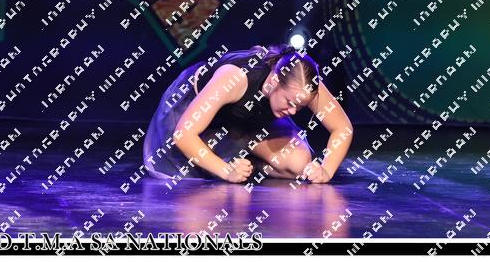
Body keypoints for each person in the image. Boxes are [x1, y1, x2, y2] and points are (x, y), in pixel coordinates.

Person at [142, 44, 353, 184]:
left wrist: (326, 171)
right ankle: (230, 161)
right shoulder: (234, 78)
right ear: (274, 81)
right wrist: (227, 171)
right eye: (290, 103)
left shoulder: (303, 84)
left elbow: (342, 127)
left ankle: (250, 163)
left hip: (250, 119)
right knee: (198, 164)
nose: (293, 111)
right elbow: (184, 135)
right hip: (206, 119)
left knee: (299, 163)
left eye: (299, 107)